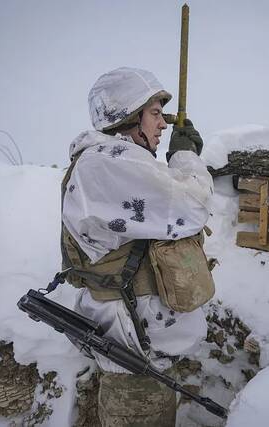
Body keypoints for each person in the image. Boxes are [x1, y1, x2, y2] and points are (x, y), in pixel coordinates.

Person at [60, 67, 214, 426]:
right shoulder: (107, 162)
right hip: (134, 369)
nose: (163, 125)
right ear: (129, 117)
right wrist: (185, 156)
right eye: (156, 114)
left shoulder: (110, 163)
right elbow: (193, 207)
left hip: (139, 360)